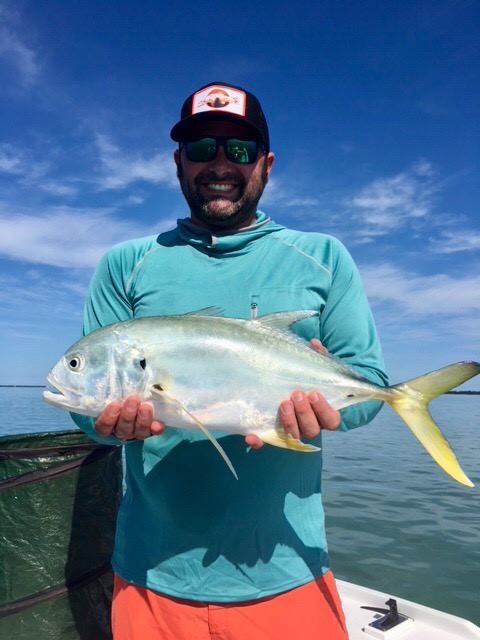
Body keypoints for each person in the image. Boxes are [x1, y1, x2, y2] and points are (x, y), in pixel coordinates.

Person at [72, 81, 388, 640]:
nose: (219, 164)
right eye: (201, 149)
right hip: (151, 573)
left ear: (266, 164)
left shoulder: (323, 257)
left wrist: (325, 407)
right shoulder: (126, 264)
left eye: (239, 150)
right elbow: (87, 411)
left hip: (288, 570)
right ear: (178, 163)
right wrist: (103, 423)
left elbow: (369, 392)